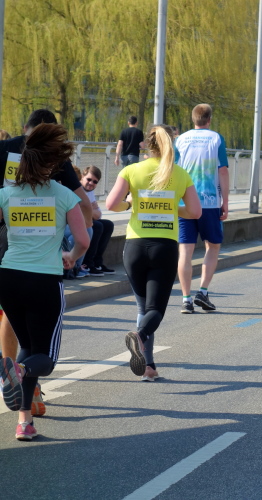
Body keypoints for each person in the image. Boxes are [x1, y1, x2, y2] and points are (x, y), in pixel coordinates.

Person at [0, 123, 90, 440]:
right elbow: (83, 240)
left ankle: (24, 420)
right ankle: (18, 371)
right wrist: (71, 256)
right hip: (45, 281)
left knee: (27, 346)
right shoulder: (64, 195)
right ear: (51, 163)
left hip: (9, 279)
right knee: (46, 360)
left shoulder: (5, 194)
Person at [106, 125, 201, 381]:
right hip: (164, 247)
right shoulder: (179, 173)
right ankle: (139, 336)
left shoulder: (131, 170)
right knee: (155, 310)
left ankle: (148, 366)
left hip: (134, 247)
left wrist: (130, 203)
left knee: (143, 308)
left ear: (146, 145)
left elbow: (111, 204)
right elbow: (195, 212)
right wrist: (171, 208)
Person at [175, 104, 229, 314]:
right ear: (209, 119)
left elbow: (174, 170)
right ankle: (203, 292)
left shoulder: (181, 139)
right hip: (209, 201)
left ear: (193, 119)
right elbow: (222, 172)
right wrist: (225, 202)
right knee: (213, 246)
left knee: (185, 251)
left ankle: (186, 299)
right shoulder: (216, 139)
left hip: (184, 202)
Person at [80, 166, 115, 276]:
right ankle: (87, 263)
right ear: (82, 176)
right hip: (74, 222)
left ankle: (97, 262)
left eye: (95, 182)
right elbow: (81, 212)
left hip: (87, 220)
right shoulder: (78, 190)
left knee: (108, 224)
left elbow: (98, 214)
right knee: (97, 226)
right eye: (89, 179)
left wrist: (89, 210)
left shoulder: (90, 192)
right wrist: (91, 209)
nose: (91, 183)